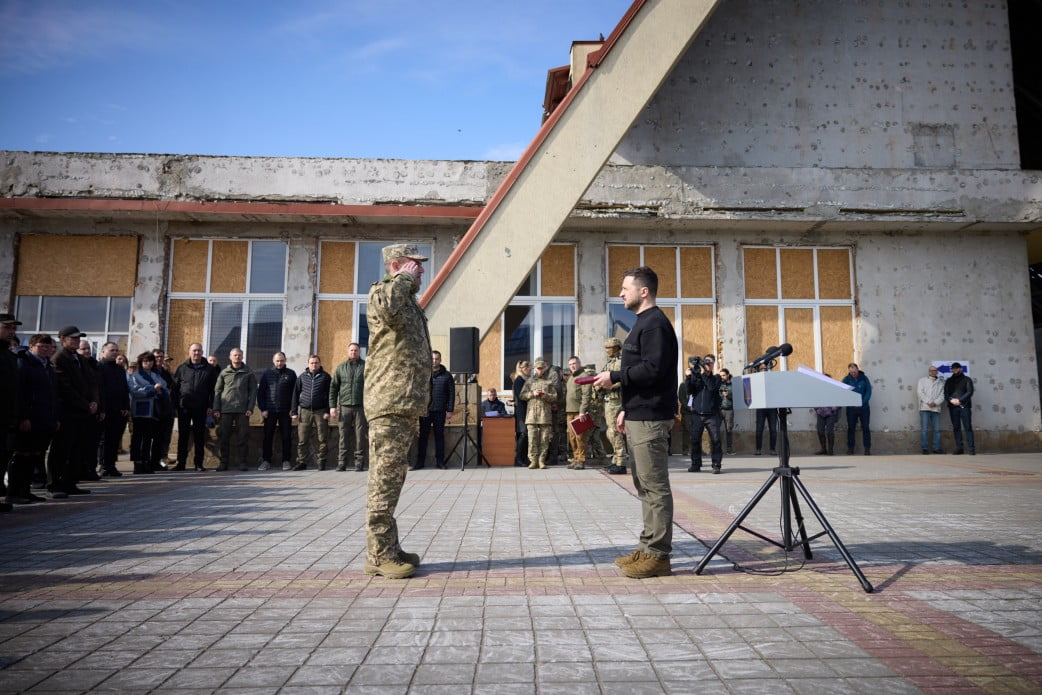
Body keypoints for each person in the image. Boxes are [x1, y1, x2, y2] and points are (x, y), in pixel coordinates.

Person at [593, 266, 678, 579]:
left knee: (655, 487)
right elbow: (644, 371)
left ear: (644, 291)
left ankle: (659, 555)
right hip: (640, 413)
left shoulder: (655, 324)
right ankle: (647, 546)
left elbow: (653, 370)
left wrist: (614, 377)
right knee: (643, 484)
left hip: (653, 418)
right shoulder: (643, 323)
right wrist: (627, 407)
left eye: (625, 287)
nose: (620, 292)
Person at [363, 243, 431, 579]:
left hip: (403, 404)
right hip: (388, 402)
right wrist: (402, 280)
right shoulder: (383, 292)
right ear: (396, 265)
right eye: (413, 264)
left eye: (420, 265)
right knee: (383, 480)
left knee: (394, 478)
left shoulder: (406, 298)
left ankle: (389, 545)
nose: (420, 270)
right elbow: (388, 309)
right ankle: (378, 555)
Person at [47, 326, 98, 496]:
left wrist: (94, 401)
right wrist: (85, 404)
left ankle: (70, 482)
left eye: (78, 338)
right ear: (62, 339)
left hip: (83, 413)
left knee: (77, 450)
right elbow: (65, 388)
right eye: (73, 338)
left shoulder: (80, 358)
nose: (76, 341)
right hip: (68, 412)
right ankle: (55, 484)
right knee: (61, 450)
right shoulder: (58, 358)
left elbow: (91, 382)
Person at [9, 333, 59, 504]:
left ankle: (25, 490)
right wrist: (23, 417)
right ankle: (14, 492)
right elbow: (20, 393)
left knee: (35, 455)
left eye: (48, 346)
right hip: (29, 419)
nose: (45, 349)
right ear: (31, 346)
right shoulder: (24, 363)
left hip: (44, 419)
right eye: (41, 346)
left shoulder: (47, 366)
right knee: (22, 454)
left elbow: (53, 394)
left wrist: (55, 418)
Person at [172, 343, 218, 471]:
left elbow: (214, 390)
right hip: (184, 407)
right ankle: (181, 463)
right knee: (183, 436)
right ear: (189, 352)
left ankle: (198, 464)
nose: (196, 353)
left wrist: (211, 406)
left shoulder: (209, 369)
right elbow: (175, 388)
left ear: (202, 352)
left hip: (201, 407)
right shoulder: (182, 368)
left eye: (198, 351)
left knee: (199, 436)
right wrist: (176, 405)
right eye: (194, 351)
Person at [212, 347, 258, 471]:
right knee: (224, 437)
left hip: (242, 410)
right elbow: (217, 391)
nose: (237, 357)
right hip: (225, 410)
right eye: (235, 355)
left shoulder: (248, 371)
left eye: (239, 355)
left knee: (243, 437)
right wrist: (216, 408)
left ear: (242, 357)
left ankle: (242, 462)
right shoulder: (224, 372)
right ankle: (224, 463)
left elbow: (253, 391)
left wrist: (250, 408)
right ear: (230, 357)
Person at [127, 352, 172, 474]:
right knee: (138, 438)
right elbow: (134, 391)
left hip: (154, 411)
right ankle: (137, 463)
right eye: (146, 361)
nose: (149, 363)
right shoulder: (136, 375)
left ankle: (146, 462)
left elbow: (164, 386)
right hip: (140, 410)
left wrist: (160, 390)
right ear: (141, 362)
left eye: (151, 361)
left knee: (148, 438)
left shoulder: (155, 374)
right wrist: (151, 389)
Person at [329, 342, 368, 472]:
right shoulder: (340, 368)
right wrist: (332, 406)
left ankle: (359, 462)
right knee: (343, 436)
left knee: (360, 436)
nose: (353, 353)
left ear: (359, 352)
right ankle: (342, 462)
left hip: (360, 407)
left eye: (356, 350)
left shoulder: (365, 367)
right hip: (344, 406)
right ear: (348, 352)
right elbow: (333, 388)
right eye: (351, 350)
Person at [415, 350, 454, 470]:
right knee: (423, 437)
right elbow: (418, 392)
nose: (434, 361)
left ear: (440, 360)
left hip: (440, 410)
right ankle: (420, 462)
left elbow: (451, 394)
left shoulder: (447, 376)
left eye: (437, 359)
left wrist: (450, 410)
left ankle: (440, 462)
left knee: (439, 436)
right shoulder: (423, 374)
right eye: (432, 359)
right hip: (425, 410)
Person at [257, 352, 296, 471]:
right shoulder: (267, 374)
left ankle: (286, 461)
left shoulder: (291, 374)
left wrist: (293, 409)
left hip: (286, 411)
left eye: (282, 361)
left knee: (286, 436)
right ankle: (266, 461)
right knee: (268, 436)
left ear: (285, 360)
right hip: (270, 411)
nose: (280, 363)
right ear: (273, 361)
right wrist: (263, 409)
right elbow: (261, 393)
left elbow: (295, 393)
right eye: (277, 361)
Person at [292, 354, 332, 470]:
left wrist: (328, 410)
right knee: (302, 438)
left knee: (322, 438)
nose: (314, 365)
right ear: (308, 364)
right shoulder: (302, 377)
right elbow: (295, 394)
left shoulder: (326, 377)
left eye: (316, 363)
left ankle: (322, 461)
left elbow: (331, 395)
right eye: (312, 363)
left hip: (320, 412)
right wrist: (294, 411)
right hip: (305, 411)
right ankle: (302, 461)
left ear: (319, 364)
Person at [96, 341, 130, 477]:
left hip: (118, 410)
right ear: (103, 352)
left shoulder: (119, 369)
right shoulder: (99, 367)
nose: (115, 353)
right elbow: (99, 390)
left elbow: (124, 389)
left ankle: (111, 465)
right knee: (104, 440)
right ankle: (103, 465)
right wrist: (101, 409)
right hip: (105, 409)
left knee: (114, 439)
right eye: (112, 350)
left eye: (116, 350)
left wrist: (125, 406)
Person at [686, 354, 723, 473]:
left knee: (716, 440)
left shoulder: (716, 378)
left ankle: (716, 464)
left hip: (712, 415)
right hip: (697, 414)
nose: (708, 364)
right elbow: (689, 390)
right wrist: (688, 377)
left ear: (713, 365)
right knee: (695, 440)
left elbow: (712, 387)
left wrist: (703, 374)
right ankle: (696, 464)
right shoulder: (697, 377)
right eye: (706, 362)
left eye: (710, 363)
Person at [1, 313, 22, 510]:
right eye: (7, 327)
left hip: (7, 418)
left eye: (13, 328)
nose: (11, 332)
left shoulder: (9, 355)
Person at [520, 359, 557, 469]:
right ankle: (533, 460)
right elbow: (522, 395)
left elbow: (555, 397)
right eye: (538, 368)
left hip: (544, 415)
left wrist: (545, 395)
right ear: (535, 369)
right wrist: (532, 393)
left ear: (545, 368)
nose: (540, 370)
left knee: (544, 439)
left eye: (542, 368)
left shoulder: (549, 382)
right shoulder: (529, 381)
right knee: (532, 438)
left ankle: (541, 460)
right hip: (532, 414)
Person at [600, 338, 628, 475]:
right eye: (606, 348)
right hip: (608, 401)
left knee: (614, 432)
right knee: (610, 432)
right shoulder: (609, 363)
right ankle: (616, 459)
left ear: (616, 348)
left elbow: (623, 379)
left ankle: (621, 461)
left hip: (617, 401)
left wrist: (610, 384)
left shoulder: (621, 362)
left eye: (609, 348)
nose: (607, 350)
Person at [565, 355, 592, 468]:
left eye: (574, 363)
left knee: (580, 437)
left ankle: (581, 460)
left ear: (579, 364)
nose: (573, 366)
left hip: (579, 412)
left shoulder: (584, 376)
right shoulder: (571, 377)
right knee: (572, 437)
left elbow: (586, 395)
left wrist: (582, 411)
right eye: (571, 364)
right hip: (570, 411)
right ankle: (576, 459)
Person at [151, 348, 176, 469]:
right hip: (154, 409)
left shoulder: (166, 372)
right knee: (153, 437)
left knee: (164, 437)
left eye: (161, 356)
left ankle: (160, 461)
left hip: (167, 409)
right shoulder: (149, 372)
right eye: (156, 357)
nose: (159, 359)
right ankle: (151, 462)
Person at [944, 362, 975, 455]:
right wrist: (951, 400)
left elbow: (970, 392)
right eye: (953, 368)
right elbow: (946, 394)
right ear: (952, 370)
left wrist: (959, 400)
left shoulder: (967, 379)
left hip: (964, 406)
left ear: (960, 369)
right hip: (953, 407)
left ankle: (971, 448)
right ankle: (959, 448)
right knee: (956, 428)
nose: (955, 370)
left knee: (968, 427)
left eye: (957, 368)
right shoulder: (949, 381)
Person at [843, 362, 872, 455]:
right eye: (851, 372)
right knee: (851, 428)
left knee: (866, 427)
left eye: (854, 371)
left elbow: (868, 391)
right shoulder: (846, 379)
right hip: (851, 408)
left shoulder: (864, 378)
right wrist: (851, 403)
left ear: (857, 369)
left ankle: (867, 448)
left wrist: (862, 402)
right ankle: (851, 448)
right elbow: (842, 391)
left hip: (864, 408)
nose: (853, 373)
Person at [918, 365, 945, 454]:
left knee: (936, 430)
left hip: (936, 408)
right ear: (929, 372)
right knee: (924, 430)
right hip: (925, 408)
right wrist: (929, 401)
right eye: (931, 370)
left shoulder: (941, 383)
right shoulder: (922, 381)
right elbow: (920, 392)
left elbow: (942, 395)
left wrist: (935, 403)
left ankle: (936, 448)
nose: (933, 372)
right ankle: (925, 448)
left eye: (935, 371)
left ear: (937, 372)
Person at [754, 362, 778, 456]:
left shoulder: (773, 378)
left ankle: (772, 449)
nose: (764, 369)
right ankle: (758, 449)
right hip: (761, 407)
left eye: (765, 367)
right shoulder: (757, 378)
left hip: (772, 407)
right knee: (759, 429)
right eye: (762, 368)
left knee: (773, 429)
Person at [511, 360, 531, 467]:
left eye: (529, 367)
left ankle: (524, 458)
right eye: (527, 367)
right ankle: (518, 459)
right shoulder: (519, 380)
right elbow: (519, 397)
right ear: (521, 369)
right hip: (521, 411)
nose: (529, 369)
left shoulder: (526, 379)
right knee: (522, 434)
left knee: (525, 435)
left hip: (525, 410)